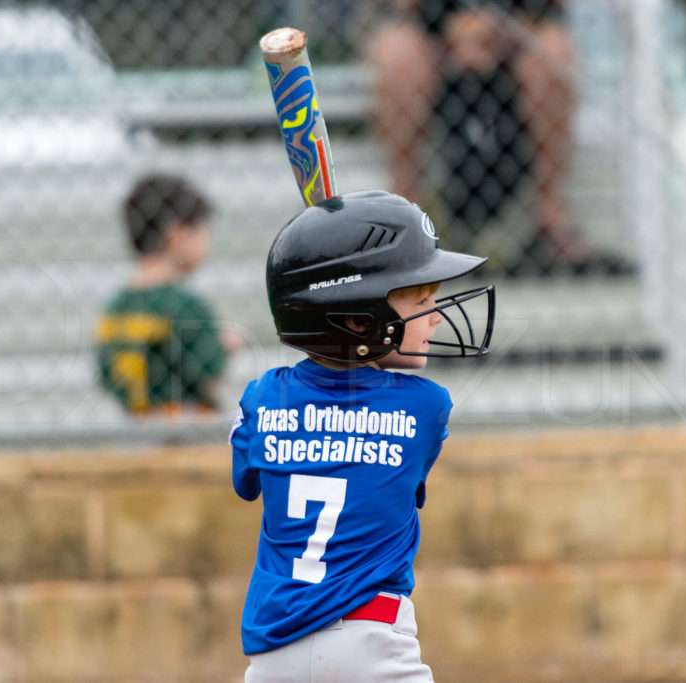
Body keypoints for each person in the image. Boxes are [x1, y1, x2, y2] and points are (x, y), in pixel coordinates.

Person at [230, 190, 495, 681]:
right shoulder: (426, 407)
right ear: (358, 319)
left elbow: (246, 482)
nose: (435, 315)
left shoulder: (262, 398)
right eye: (419, 298)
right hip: (373, 645)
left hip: (272, 655)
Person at [367, 0, 595, 273]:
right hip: (435, 35)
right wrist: (447, 26)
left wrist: (499, 28)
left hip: (519, 31)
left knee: (554, 49)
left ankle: (551, 219)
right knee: (396, 55)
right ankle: (404, 215)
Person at [96, 173, 238, 417]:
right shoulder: (185, 305)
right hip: (184, 424)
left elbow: (105, 371)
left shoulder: (117, 305)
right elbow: (207, 374)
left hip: (135, 424)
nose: (207, 243)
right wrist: (224, 346)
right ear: (178, 235)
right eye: (203, 232)